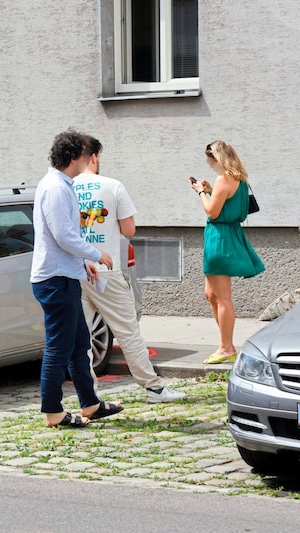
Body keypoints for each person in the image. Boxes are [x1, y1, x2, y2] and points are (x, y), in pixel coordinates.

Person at [75, 137, 187, 403]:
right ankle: (154, 388)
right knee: (128, 332)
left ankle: (88, 395)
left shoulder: (67, 187)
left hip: (77, 269)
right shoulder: (113, 186)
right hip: (106, 268)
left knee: (81, 337)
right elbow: (129, 230)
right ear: (94, 157)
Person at [31, 129, 124, 428]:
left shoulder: (61, 184)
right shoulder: (56, 188)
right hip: (55, 279)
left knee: (78, 343)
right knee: (59, 347)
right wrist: (95, 254)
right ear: (74, 156)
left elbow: (62, 238)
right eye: (87, 155)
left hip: (64, 274)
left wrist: (83, 262)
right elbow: (64, 235)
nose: (90, 161)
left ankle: (91, 404)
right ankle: (53, 412)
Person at [191, 140, 265, 364]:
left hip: (220, 237)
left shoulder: (223, 178)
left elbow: (212, 212)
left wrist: (201, 192)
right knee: (211, 294)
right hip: (227, 234)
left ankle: (226, 347)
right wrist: (212, 191)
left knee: (222, 297)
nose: (208, 162)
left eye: (209, 158)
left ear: (217, 158)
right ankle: (227, 343)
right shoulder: (239, 179)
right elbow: (227, 202)